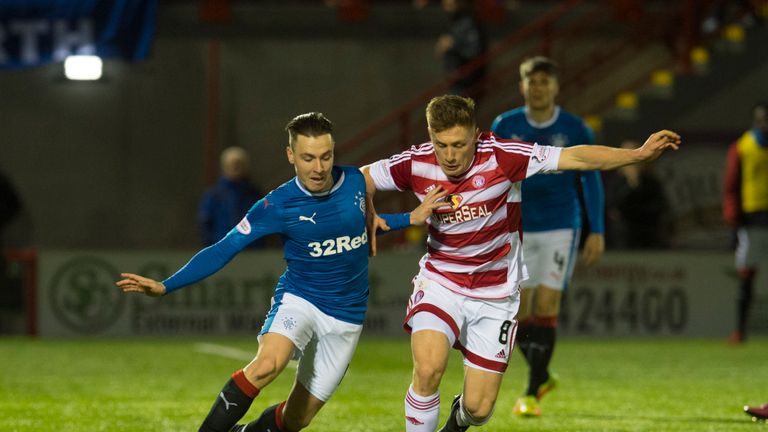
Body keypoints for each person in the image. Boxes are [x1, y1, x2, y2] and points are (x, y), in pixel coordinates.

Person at [362, 95, 680, 432]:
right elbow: (363, 178)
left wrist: (636, 155)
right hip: (441, 281)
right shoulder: (415, 162)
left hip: (496, 293)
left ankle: (458, 420)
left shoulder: (503, 154)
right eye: (442, 145)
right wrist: (375, 214)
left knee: (478, 409)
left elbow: (574, 157)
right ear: (430, 136)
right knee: (427, 369)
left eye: (459, 144)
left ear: (476, 134)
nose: (451, 155)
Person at [116, 112, 446, 432]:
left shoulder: (356, 183)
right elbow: (224, 248)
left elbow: (368, 230)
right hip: (300, 300)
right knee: (268, 364)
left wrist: (411, 219)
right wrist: (166, 285)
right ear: (291, 155)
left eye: (325, 156)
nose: (318, 168)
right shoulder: (276, 205)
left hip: (347, 316)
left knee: (296, 420)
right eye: (307, 158)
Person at [489, 56, 605, 417]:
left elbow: (591, 177)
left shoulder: (574, 128)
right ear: (522, 86)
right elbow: (493, 176)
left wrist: (596, 229)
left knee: (547, 307)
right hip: (517, 226)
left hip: (560, 225)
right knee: (519, 314)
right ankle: (543, 375)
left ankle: (531, 392)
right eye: (531, 81)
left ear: (555, 87)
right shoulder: (505, 124)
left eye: (544, 81)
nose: (538, 87)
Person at [723, 101, 768, 344]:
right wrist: (733, 218)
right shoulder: (742, 147)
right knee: (747, 274)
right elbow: (731, 185)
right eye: (761, 119)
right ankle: (740, 331)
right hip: (753, 218)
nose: (765, 124)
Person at [606, 139, 671, 249]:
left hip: (650, 238)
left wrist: (637, 182)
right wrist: (631, 185)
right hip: (624, 240)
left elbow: (660, 207)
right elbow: (615, 210)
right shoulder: (616, 183)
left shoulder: (652, 183)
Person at [199, 146, 265, 248]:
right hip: (222, 250)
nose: (235, 168)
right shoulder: (215, 195)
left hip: (251, 250)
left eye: (239, 164)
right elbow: (205, 223)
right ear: (224, 166)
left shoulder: (253, 194)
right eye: (232, 164)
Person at [434, 0, 488, 99]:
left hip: (468, 82)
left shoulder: (469, 23)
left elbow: (475, 51)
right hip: (456, 81)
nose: (446, 4)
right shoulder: (455, 22)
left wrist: (452, 46)